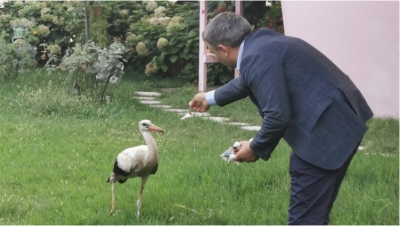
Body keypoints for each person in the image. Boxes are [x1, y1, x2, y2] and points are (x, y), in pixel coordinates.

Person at [189, 12, 373, 225]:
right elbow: (248, 81)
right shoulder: (262, 42)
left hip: (326, 131)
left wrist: (256, 147)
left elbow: (277, 116)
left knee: (304, 217)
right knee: (315, 210)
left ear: (223, 49)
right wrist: (210, 98)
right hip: (341, 117)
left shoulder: (255, 57)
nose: (213, 56)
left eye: (212, 51)